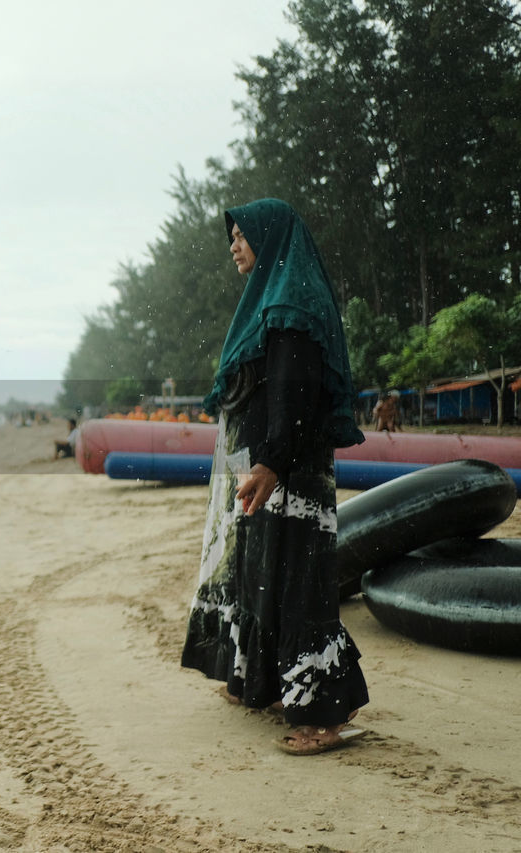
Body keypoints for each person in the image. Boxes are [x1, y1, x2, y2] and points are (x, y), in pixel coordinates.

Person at [181, 199, 370, 756]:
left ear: (271, 238)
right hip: (270, 466)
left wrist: (270, 462)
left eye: (241, 235)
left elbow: (294, 392)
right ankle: (259, 682)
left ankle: (326, 712)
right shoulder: (268, 298)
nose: (233, 245)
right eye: (230, 237)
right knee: (259, 571)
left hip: (288, 471)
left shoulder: (290, 302)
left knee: (296, 581)